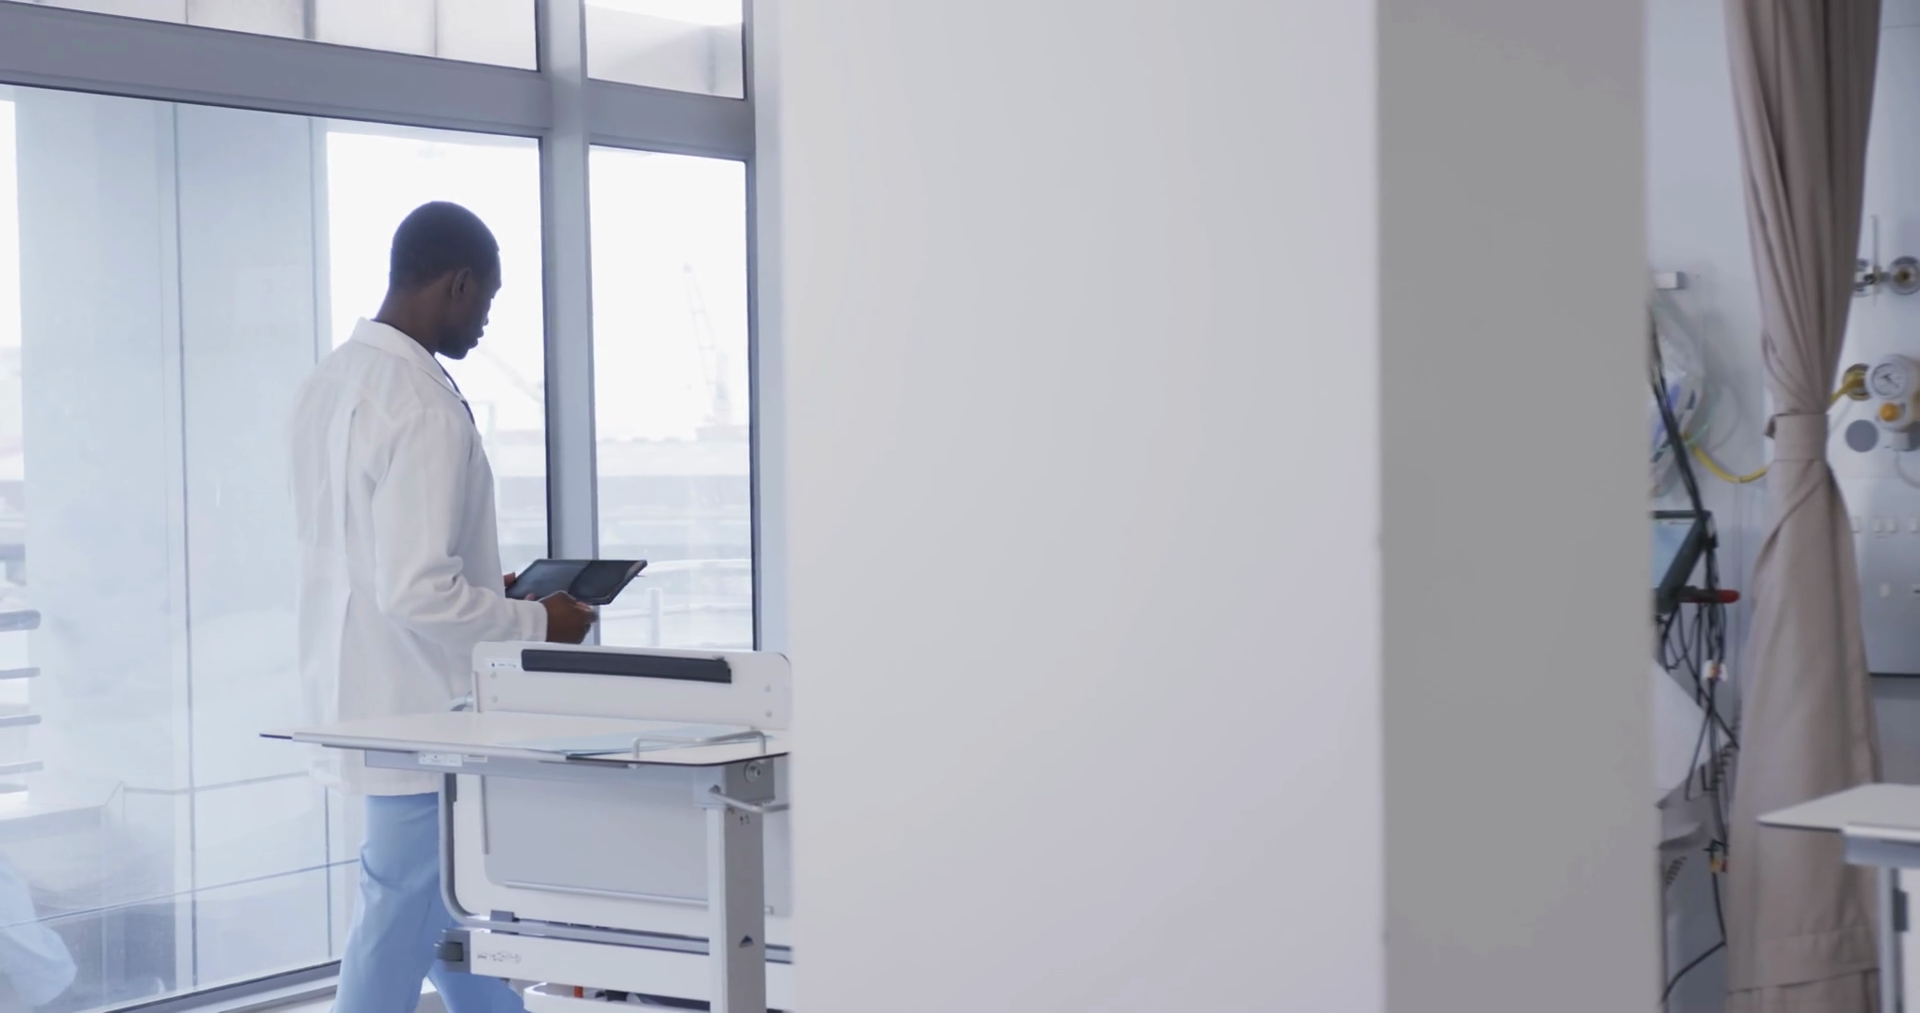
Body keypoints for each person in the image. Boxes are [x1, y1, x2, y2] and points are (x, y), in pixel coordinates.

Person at [290, 201, 596, 1013]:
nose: (485, 321)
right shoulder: (422, 404)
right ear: (459, 283)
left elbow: (370, 560)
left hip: (360, 692)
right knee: (402, 914)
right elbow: (416, 587)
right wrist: (541, 622)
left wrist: (484, 590)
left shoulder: (330, 382)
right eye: (487, 299)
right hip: (421, 706)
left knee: (450, 914)